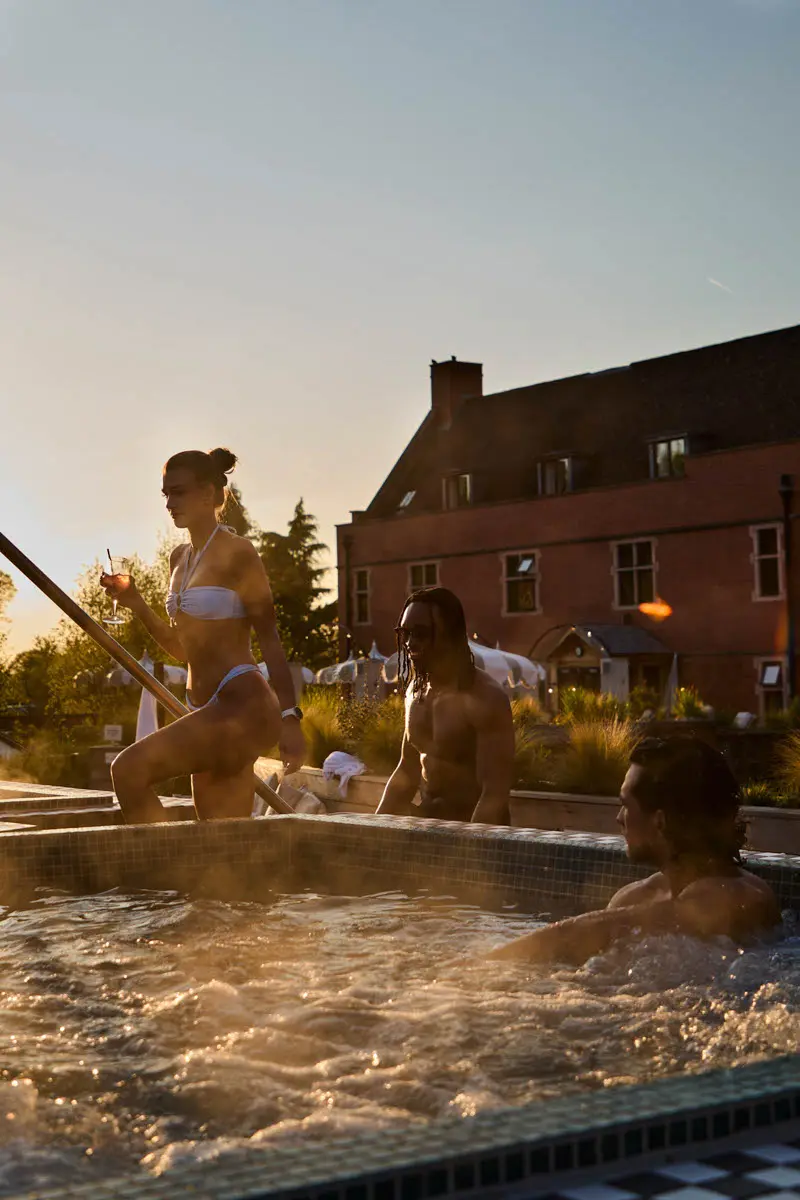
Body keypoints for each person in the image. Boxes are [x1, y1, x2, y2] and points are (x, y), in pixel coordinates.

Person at [101, 447, 305, 823]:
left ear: (208, 494)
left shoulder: (239, 552)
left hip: (242, 705)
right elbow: (181, 650)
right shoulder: (178, 559)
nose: (169, 504)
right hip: (205, 709)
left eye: (178, 492)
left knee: (128, 770)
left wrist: (290, 719)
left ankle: (160, 861)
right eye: (166, 494)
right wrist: (136, 603)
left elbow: (269, 638)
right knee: (222, 840)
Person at [488, 737, 780, 963]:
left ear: (660, 821)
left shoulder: (738, 897)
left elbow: (587, 932)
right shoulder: (634, 897)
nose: (619, 818)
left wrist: (490, 963)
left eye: (626, 805)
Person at [375, 587, 514, 824]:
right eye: (405, 633)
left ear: (450, 635)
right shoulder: (414, 692)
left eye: (421, 633)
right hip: (430, 821)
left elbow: (494, 794)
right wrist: (372, 827)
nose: (409, 643)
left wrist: (468, 845)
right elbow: (406, 772)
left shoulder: (486, 697)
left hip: (476, 828)